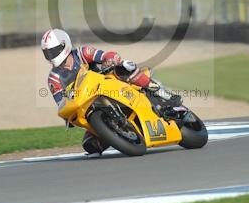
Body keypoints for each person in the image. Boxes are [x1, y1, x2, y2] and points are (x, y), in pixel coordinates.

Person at [40, 28, 181, 154]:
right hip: (88, 106)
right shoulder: (54, 79)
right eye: (47, 53)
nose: (51, 56)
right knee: (89, 145)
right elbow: (61, 103)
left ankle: (161, 93)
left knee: (124, 68)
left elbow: (105, 55)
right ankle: (120, 133)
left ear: (64, 45)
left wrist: (110, 59)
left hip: (109, 84)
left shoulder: (82, 53)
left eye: (52, 51)